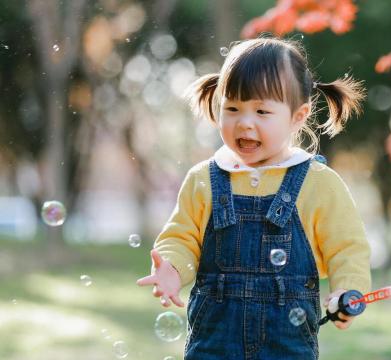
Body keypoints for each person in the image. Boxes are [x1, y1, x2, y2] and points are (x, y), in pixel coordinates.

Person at [137, 36, 371, 359]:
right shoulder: (204, 179)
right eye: (232, 108)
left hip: (286, 345)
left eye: (262, 111)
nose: (244, 123)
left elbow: (347, 246)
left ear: (298, 117)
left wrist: (347, 289)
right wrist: (172, 269)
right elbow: (182, 238)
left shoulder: (318, 184)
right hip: (214, 341)